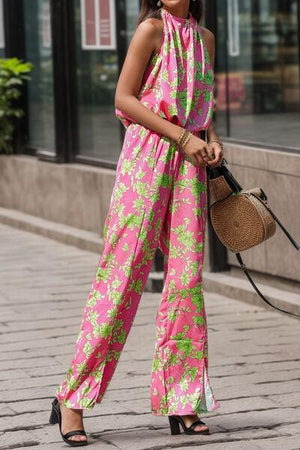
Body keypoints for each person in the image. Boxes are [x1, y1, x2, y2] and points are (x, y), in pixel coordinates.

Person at [49, 0, 223, 445]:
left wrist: (212, 139)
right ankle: (72, 397)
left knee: (185, 282)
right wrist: (181, 135)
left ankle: (181, 398)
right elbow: (124, 98)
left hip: (189, 165)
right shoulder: (150, 30)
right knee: (122, 278)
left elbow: (204, 106)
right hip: (147, 158)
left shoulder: (205, 39)